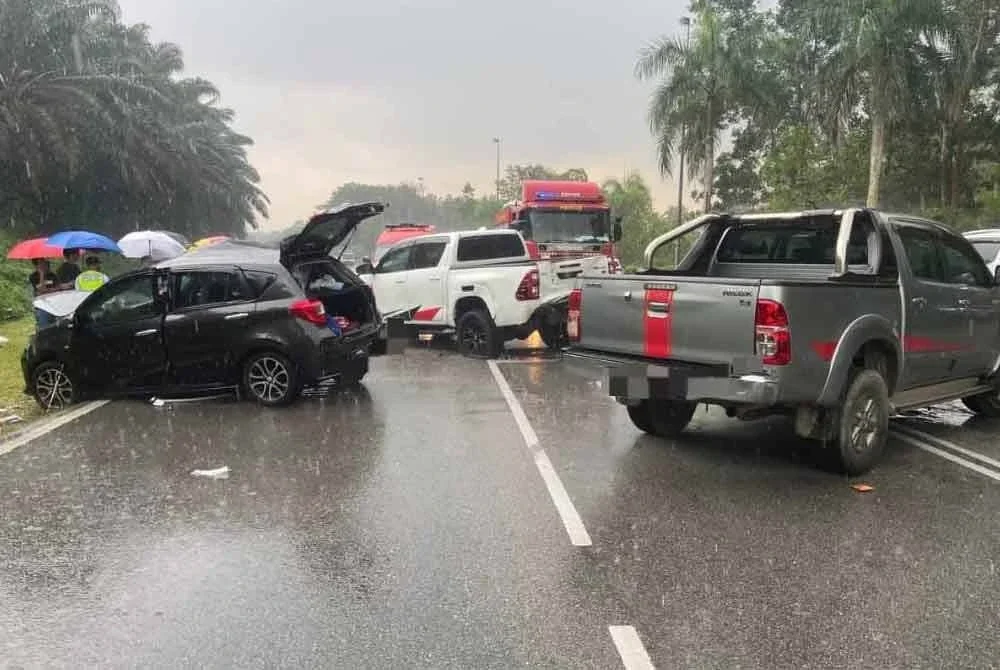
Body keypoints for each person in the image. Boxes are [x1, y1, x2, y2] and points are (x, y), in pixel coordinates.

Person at [28, 258, 59, 329]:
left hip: (54, 304)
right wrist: (41, 274)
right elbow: (40, 291)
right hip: (41, 306)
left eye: (45, 262)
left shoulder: (52, 275)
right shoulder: (33, 276)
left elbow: (58, 288)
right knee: (44, 327)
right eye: (41, 263)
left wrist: (47, 290)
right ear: (36, 266)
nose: (45, 264)